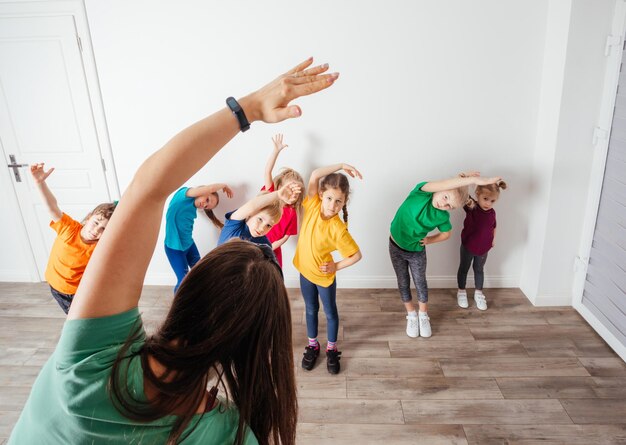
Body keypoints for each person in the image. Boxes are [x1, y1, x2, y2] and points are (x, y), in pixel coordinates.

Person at [9, 57, 338, 445]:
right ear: (255, 343)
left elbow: (148, 187)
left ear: (189, 287)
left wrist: (246, 109)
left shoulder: (87, 359)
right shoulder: (230, 435)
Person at [389, 172, 502, 339]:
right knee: (403, 281)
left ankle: (423, 315)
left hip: (416, 252)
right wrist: (472, 180)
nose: (445, 205)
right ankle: (411, 315)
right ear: (441, 189)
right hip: (395, 247)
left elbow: (446, 234)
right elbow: (444, 183)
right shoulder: (421, 192)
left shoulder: (442, 216)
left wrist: (429, 240)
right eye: (446, 197)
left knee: (420, 283)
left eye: (451, 206)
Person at [293, 164, 362, 375]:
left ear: (344, 203)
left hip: (324, 278)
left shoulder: (338, 228)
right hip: (304, 272)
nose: (333, 205)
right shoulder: (313, 204)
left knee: (330, 312)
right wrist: (341, 165)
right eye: (330, 198)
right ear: (322, 194)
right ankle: (313, 345)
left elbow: (356, 255)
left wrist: (335, 266)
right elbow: (314, 175)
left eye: (339, 201)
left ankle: (332, 348)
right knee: (311, 309)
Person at [29, 162, 116, 314]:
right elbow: (52, 207)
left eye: (103, 229)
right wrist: (40, 183)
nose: (97, 230)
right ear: (89, 218)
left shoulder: (101, 247)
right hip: (56, 287)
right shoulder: (69, 228)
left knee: (84, 319)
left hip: (79, 293)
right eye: (96, 223)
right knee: (77, 319)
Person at [165, 183, 233, 292]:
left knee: (202, 271)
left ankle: (202, 298)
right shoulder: (183, 194)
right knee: (183, 281)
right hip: (175, 248)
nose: (204, 205)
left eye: (207, 206)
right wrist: (224, 185)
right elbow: (210, 188)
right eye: (207, 199)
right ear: (203, 190)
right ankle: (177, 307)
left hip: (189, 244)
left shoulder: (193, 207)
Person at [456, 180, 507, 310]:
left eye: (492, 201)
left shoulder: (492, 212)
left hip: (484, 248)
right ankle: (461, 291)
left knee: (479, 270)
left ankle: (478, 293)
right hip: (468, 246)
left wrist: (493, 239)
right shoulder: (472, 206)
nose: (488, 203)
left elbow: (494, 226)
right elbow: (462, 194)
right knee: (464, 268)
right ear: (477, 193)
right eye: (485, 199)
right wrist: (468, 180)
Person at [260, 134, 304, 267]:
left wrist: (271, 247)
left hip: (273, 249)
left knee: (274, 275)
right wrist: (276, 151)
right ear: (279, 187)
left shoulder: (292, 213)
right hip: (256, 243)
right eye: (290, 189)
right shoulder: (271, 195)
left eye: (296, 192)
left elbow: (286, 236)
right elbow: (267, 172)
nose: (292, 195)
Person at [217, 181, 301, 250]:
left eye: (268, 225)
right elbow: (252, 206)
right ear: (251, 213)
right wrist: (278, 195)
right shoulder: (234, 226)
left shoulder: (265, 244)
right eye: (260, 219)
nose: (262, 228)